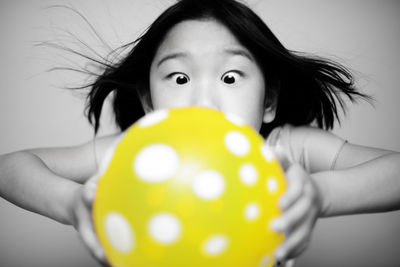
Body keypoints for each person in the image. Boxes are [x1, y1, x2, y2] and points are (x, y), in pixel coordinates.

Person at [0, 0, 399, 266]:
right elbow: (10, 167)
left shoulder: (284, 150)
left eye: (229, 77)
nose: (203, 99)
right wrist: (71, 202)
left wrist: (323, 194)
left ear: (268, 102)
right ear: (149, 102)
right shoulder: (132, 151)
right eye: (179, 77)